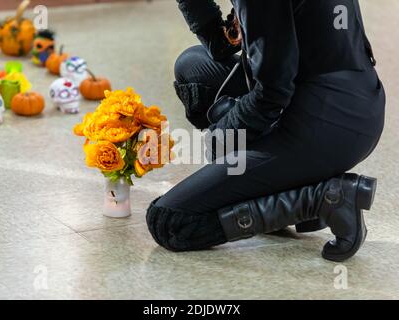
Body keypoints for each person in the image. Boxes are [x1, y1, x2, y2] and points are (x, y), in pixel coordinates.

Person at [146, 0, 385, 262]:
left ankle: (319, 199)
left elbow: (271, 94)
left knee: (169, 222)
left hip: (329, 124)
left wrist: (221, 135)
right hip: (351, 101)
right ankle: (280, 181)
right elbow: (223, 45)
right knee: (193, 69)